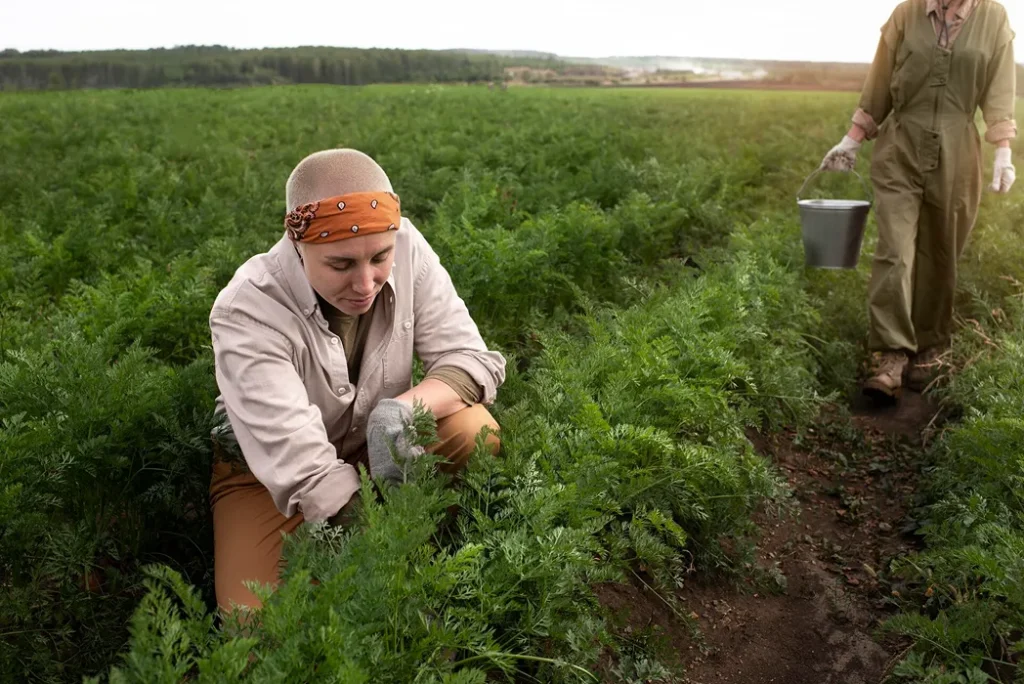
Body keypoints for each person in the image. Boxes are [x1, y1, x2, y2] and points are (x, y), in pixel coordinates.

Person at [207, 148, 506, 612]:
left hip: (371, 444)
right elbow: (304, 469)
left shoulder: (407, 246)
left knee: (474, 430)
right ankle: (396, 553)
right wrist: (390, 558)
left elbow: (470, 358)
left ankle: (432, 540)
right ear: (297, 244)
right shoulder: (247, 309)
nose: (366, 284)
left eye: (380, 257)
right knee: (257, 624)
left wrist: (400, 412)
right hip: (268, 477)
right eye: (341, 265)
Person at [820, 0, 1017, 398]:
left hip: (958, 150)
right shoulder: (906, 13)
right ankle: (891, 354)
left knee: (941, 253)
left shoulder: (993, 17)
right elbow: (878, 84)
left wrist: (1003, 151)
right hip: (901, 146)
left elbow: (1000, 89)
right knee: (895, 250)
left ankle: (929, 347)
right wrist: (852, 140)